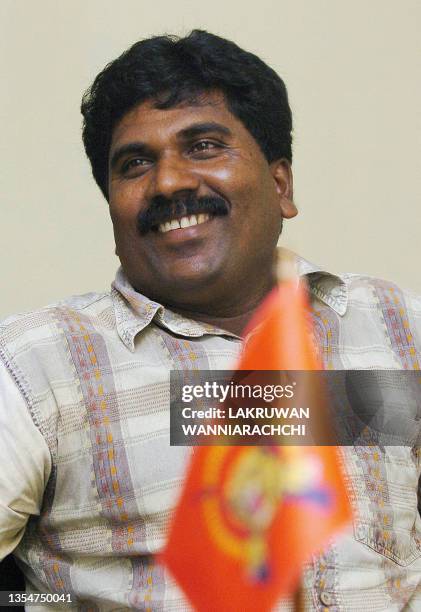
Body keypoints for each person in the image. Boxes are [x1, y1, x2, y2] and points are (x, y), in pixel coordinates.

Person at [0, 30, 420, 611]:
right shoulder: (33, 363)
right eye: (135, 164)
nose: (168, 181)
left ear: (281, 184)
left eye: (202, 146)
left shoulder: (400, 328)